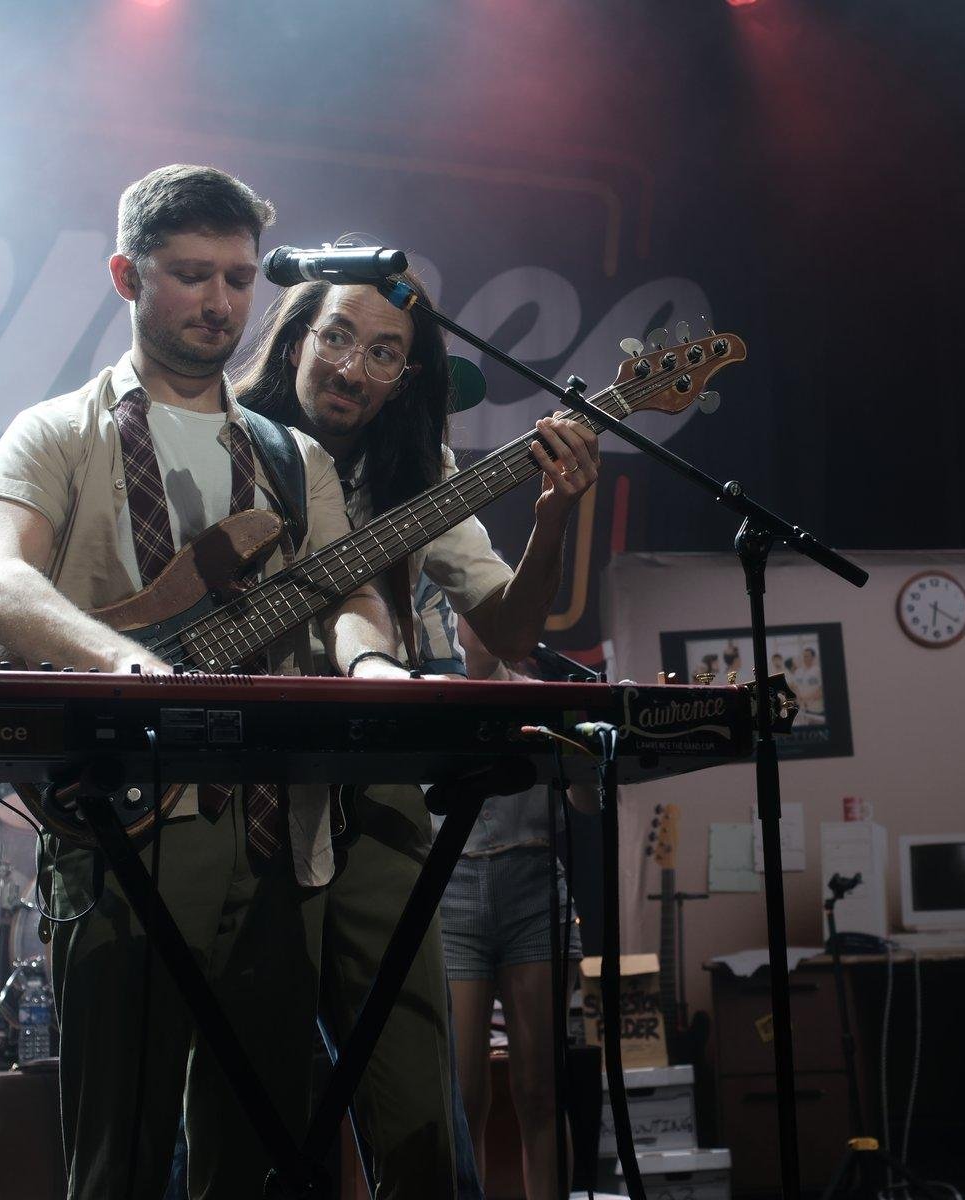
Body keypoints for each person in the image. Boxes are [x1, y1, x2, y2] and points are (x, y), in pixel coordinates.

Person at [0, 165, 406, 1199]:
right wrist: (131, 667)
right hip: (129, 825)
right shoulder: (56, 430)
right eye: (192, 275)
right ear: (127, 275)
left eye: (240, 278)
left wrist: (369, 651)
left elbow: (347, 597)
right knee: (117, 1154)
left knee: (257, 1160)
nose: (221, 303)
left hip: (277, 827)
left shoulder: (295, 459)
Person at [233, 269, 599, 1196]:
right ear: (295, 339)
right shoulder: (223, 435)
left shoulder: (418, 475)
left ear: (406, 376)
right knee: (242, 1104)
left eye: (386, 352)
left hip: (371, 789)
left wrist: (553, 518)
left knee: (421, 1111)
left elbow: (511, 630)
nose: (356, 367)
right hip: (233, 788)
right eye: (338, 338)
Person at [444, 620, 589, 1199]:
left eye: (489, 612)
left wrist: (580, 741)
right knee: (463, 1095)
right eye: (464, 611)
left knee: (540, 1089)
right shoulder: (431, 693)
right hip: (452, 887)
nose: (471, 625)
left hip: (532, 883)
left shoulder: (538, 698)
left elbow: (587, 803)